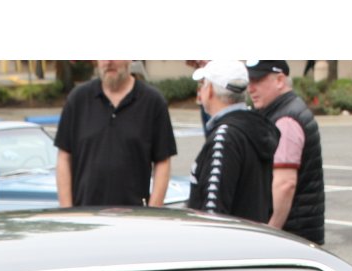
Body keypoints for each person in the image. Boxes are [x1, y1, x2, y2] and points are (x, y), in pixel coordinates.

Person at [55, 60, 177, 208]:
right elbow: (64, 157)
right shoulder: (77, 100)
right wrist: (68, 212)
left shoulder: (153, 103)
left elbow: (163, 161)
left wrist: (153, 211)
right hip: (86, 219)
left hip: (134, 219)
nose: (108, 62)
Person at [186, 60, 279, 223]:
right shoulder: (253, 129)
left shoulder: (225, 137)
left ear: (210, 91)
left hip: (228, 245)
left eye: (203, 84)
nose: (200, 91)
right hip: (251, 238)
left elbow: (212, 211)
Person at [245, 61, 324, 245]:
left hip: (292, 237)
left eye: (256, 80)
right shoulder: (283, 111)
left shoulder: (286, 121)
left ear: (280, 80)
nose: (250, 88)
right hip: (298, 235)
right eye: (248, 81)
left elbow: (285, 184)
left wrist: (269, 234)